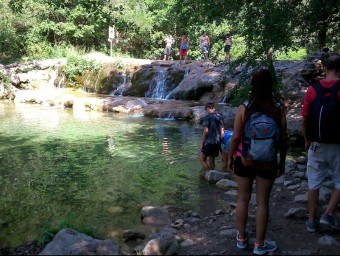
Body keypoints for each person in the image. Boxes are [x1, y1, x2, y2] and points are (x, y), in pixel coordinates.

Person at [227, 69, 287, 255]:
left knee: (242, 199)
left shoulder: (244, 108)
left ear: (252, 85)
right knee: (262, 202)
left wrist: (230, 157)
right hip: (268, 162)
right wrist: (282, 162)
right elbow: (282, 139)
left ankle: (241, 239)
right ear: (271, 86)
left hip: (245, 159)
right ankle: (259, 245)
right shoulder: (278, 109)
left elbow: (236, 137)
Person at [302, 55, 340, 233]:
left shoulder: (312, 89)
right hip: (337, 144)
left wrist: (307, 140)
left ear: (325, 68)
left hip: (316, 143)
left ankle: (311, 220)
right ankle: (328, 213)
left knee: (313, 184)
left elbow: (304, 118)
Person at [199, 102, 224, 174]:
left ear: (208, 109)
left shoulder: (207, 117)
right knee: (212, 160)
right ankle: (213, 174)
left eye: (206, 110)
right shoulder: (220, 116)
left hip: (209, 142)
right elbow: (222, 131)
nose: (206, 111)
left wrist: (202, 143)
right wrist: (220, 142)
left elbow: (206, 130)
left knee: (202, 159)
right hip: (217, 142)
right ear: (214, 108)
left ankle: (209, 173)